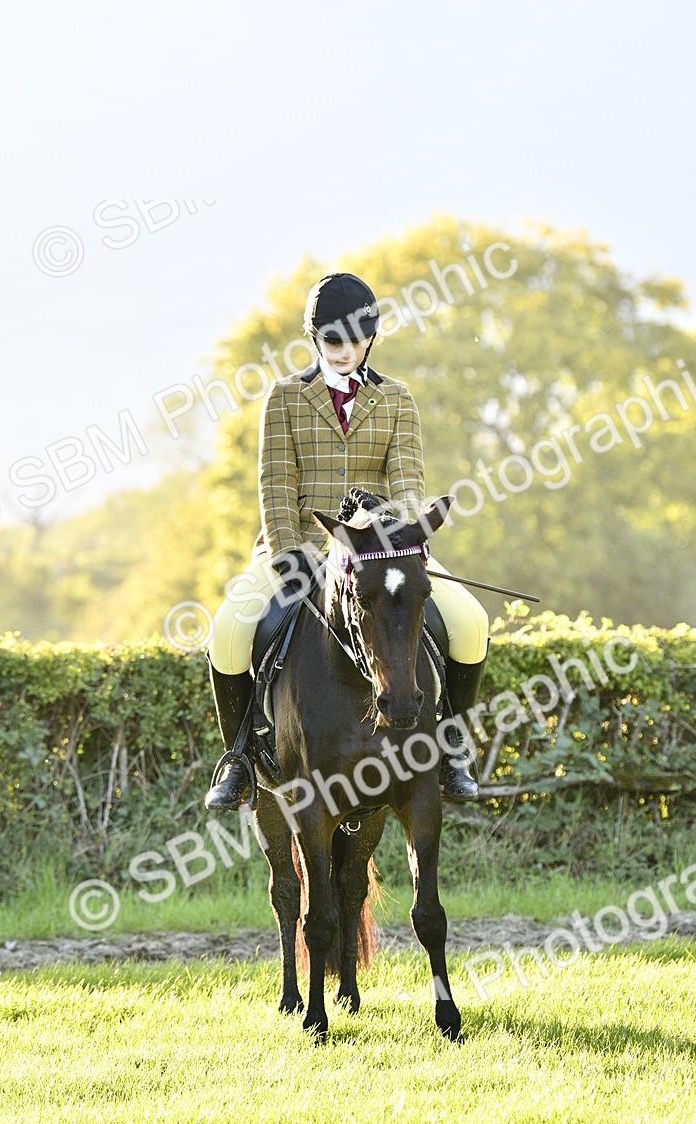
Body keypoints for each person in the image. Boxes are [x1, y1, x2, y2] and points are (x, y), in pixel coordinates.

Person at [204, 272, 489, 810]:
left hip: (382, 553)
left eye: (355, 341)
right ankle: (239, 757)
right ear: (313, 339)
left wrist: (400, 538)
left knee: (472, 622)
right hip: (300, 549)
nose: (344, 352)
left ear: (372, 339)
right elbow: (276, 483)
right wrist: (288, 554)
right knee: (226, 631)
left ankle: (451, 748)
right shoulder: (285, 397)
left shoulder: (397, 399)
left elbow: (407, 482)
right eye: (332, 341)